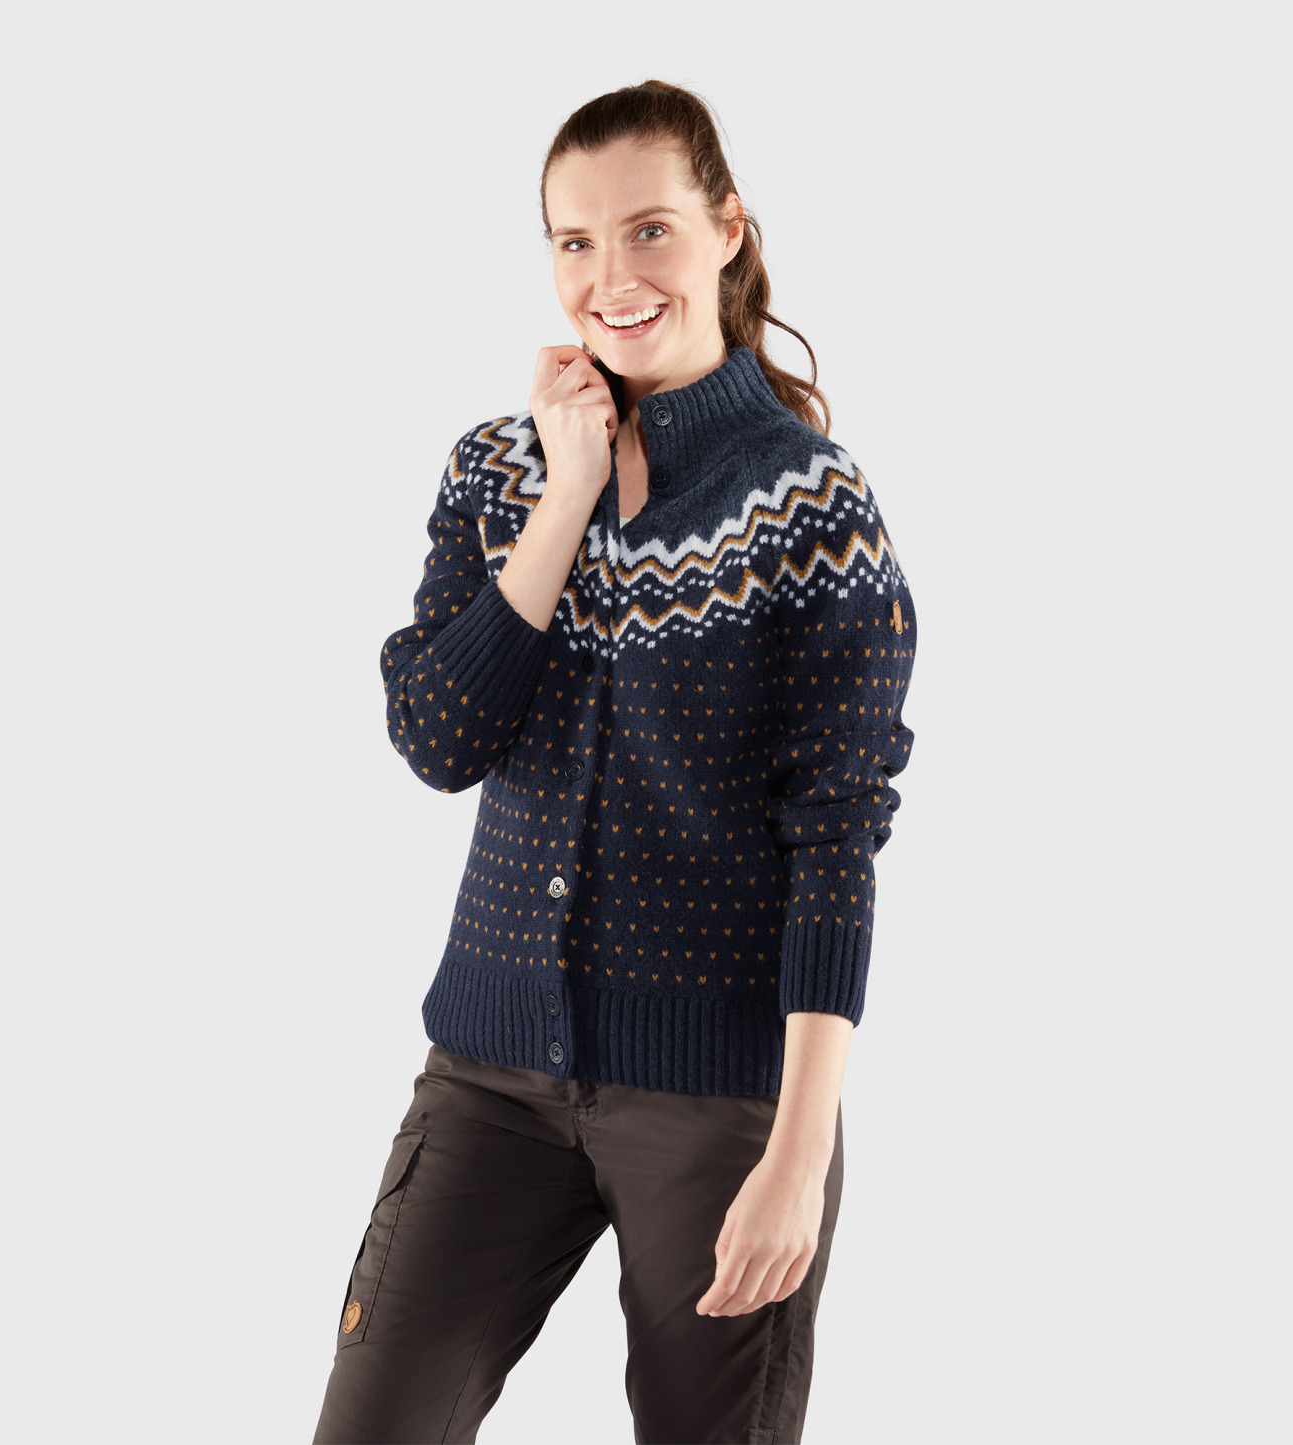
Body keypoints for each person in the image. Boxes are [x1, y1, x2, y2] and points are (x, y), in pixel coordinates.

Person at [311, 78, 918, 1445]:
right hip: (485, 1077)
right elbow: (437, 738)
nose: (610, 276)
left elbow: (835, 834)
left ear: (726, 229)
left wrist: (798, 1152)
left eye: (648, 230)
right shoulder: (497, 468)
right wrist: (566, 490)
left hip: (716, 1101)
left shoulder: (807, 502)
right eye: (574, 241)